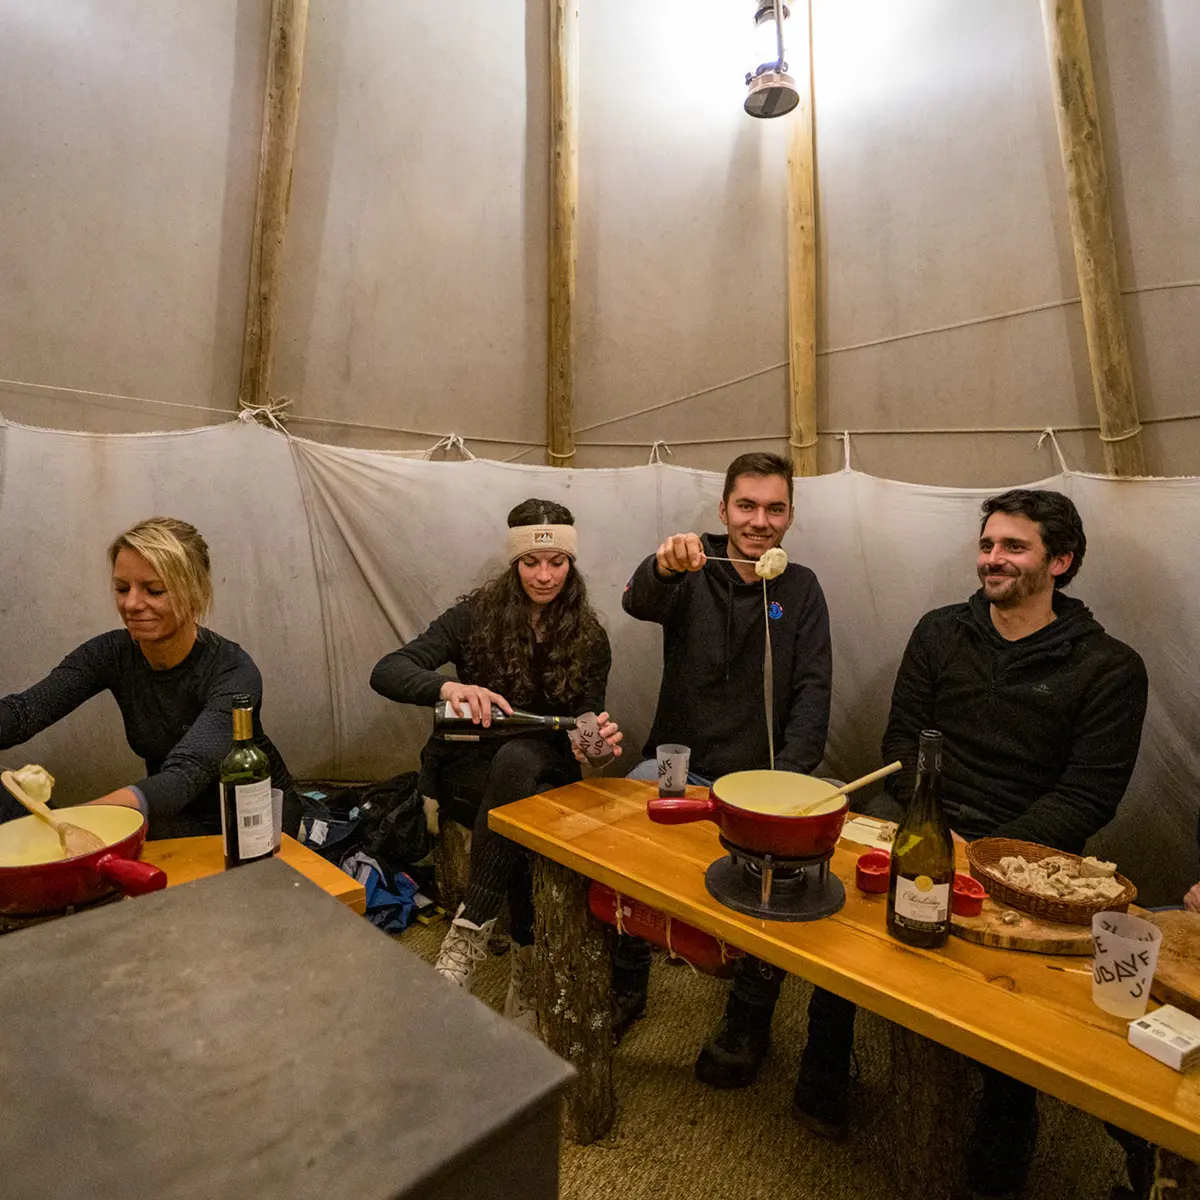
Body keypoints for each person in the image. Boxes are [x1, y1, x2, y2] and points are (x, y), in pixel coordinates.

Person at [795, 489, 1149, 1200]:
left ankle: (1004, 1131)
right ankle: (824, 1070)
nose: (993, 558)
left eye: (1013, 547)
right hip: (927, 813)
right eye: (988, 544)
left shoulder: (1109, 668)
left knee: (1007, 1001)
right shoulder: (940, 632)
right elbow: (902, 741)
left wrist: (987, 853)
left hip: (1030, 853)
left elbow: (1088, 796)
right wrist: (935, 828)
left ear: (1061, 561)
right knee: (841, 921)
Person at [370, 498, 622, 1033]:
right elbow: (388, 670)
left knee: (520, 759)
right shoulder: (472, 617)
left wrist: (595, 746)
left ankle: (469, 932)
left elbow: (584, 723)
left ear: (571, 565)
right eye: (531, 562)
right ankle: (526, 967)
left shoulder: (589, 636)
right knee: (514, 800)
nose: (545, 574)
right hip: (469, 770)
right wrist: (449, 685)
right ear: (513, 564)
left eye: (557, 562)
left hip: (545, 766)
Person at [621, 451, 832, 1054]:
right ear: (723, 509)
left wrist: (789, 784)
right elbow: (637, 601)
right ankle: (625, 980)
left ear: (790, 515)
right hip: (676, 760)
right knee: (622, 843)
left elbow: (813, 689)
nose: (759, 520)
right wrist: (662, 568)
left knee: (786, 877)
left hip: (761, 775)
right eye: (746, 505)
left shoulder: (801, 587)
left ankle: (748, 1018)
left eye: (774, 508)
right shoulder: (689, 565)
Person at [0, 517, 301, 840]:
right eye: (121, 588)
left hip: (250, 821)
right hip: (173, 817)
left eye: (153, 590)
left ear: (195, 593)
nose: (131, 604)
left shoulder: (233, 672)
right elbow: (24, 712)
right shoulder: (111, 653)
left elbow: (186, 774)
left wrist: (78, 824)